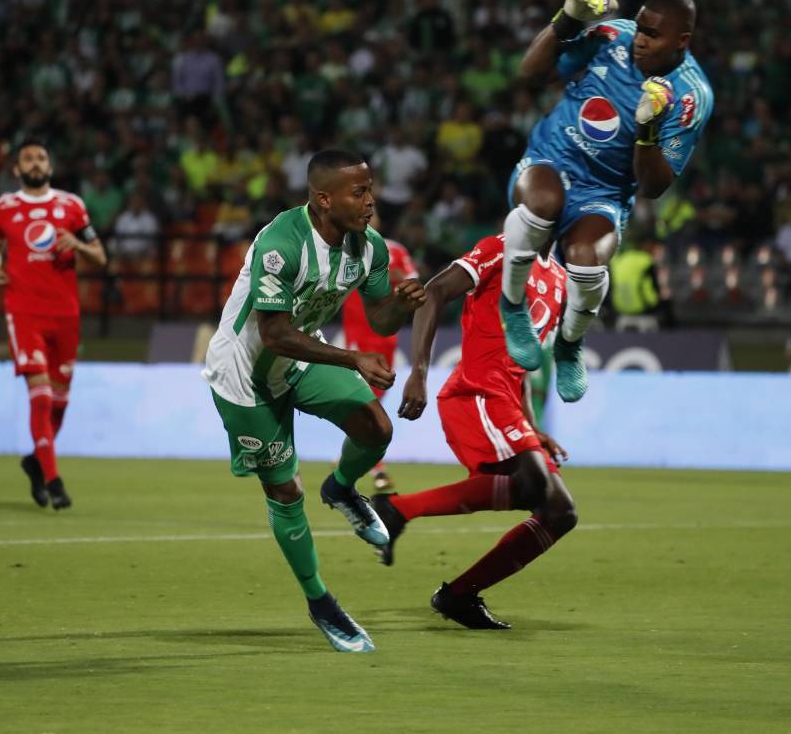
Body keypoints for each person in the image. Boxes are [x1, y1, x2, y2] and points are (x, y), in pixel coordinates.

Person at [201, 148, 426, 653]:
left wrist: (401, 306)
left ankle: (343, 489)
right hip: (245, 378)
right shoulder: (283, 243)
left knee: (377, 429)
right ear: (324, 199)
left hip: (301, 359)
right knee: (284, 492)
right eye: (360, 192)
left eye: (371, 188)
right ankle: (320, 600)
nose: (371, 201)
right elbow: (275, 334)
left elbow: (378, 320)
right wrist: (352, 360)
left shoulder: (369, 249)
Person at [500, 0, 713, 402]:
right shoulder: (613, 36)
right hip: (552, 159)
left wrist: (648, 130)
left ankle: (570, 343)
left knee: (585, 260)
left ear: (681, 41)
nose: (640, 40)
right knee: (542, 206)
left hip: (605, 191)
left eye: (652, 35)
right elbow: (530, 72)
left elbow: (654, 187)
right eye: (640, 29)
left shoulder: (690, 96)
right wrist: (568, 20)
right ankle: (513, 307)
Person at [384, 231, 575, 630]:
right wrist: (419, 372)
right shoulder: (501, 248)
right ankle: (398, 509)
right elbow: (433, 292)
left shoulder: (560, 280)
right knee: (535, 485)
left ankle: (459, 595)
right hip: (476, 392)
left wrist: (533, 428)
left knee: (560, 512)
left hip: (507, 400)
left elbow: (520, 364)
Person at [0, 139, 107, 510]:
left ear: (49, 166)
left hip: (66, 314)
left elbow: (100, 256)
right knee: (38, 396)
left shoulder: (71, 206)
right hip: (23, 311)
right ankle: (54, 480)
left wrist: (79, 246)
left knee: (59, 403)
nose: (35, 163)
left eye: (41, 157)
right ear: (17, 170)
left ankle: (36, 464)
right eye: (28, 159)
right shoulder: (3, 208)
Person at [338, 208, 419, 492]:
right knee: (365, 395)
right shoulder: (346, 248)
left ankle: (357, 453)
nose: (370, 216)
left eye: (373, 213)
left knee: (378, 394)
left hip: (386, 334)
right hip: (358, 332)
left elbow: (413, 282)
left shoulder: (395, 250)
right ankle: (374, 465)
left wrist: (397, 278)